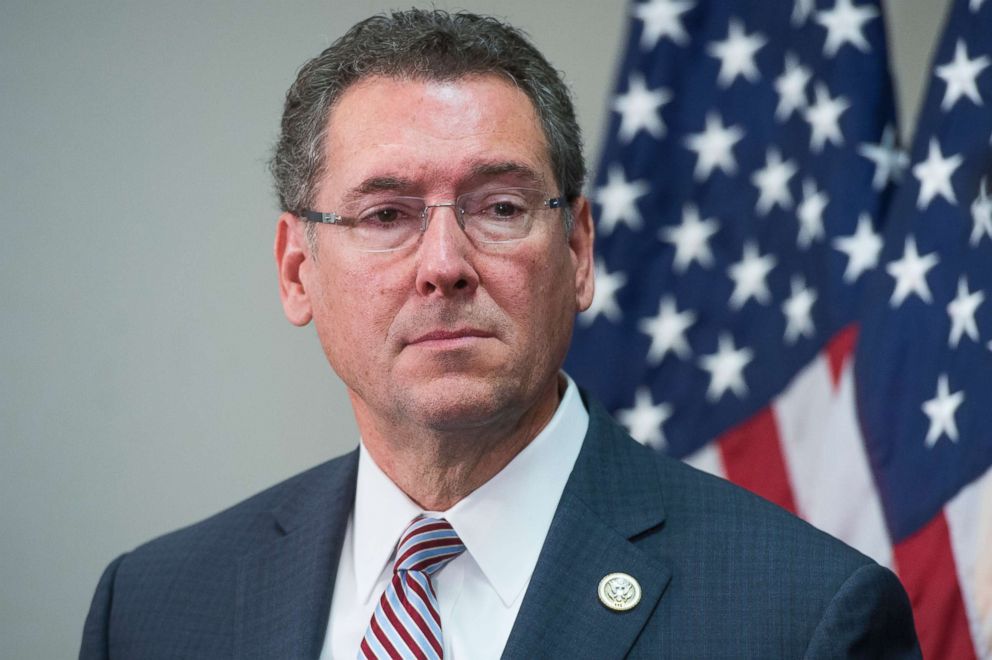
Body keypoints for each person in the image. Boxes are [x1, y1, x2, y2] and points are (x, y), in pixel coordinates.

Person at [80, 9, 920, 659]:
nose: (444, 264)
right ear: (298, 270)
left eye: (501, 208)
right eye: (386, 214)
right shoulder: (152, 608)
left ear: (579, 252)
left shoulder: (803, 616)